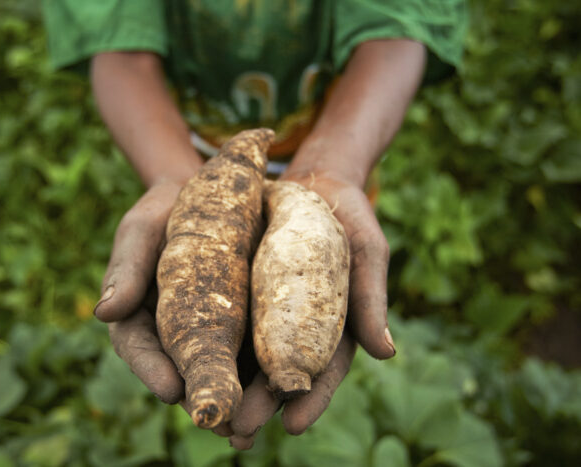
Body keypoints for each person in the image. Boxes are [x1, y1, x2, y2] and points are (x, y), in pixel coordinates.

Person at [43, 0, 466, 450]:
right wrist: (173, 177)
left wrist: (337, 167)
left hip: (336, 156)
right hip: (190, 161)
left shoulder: (307, 199)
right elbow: (122, 49)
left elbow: (394, 29)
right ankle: (214, 378)